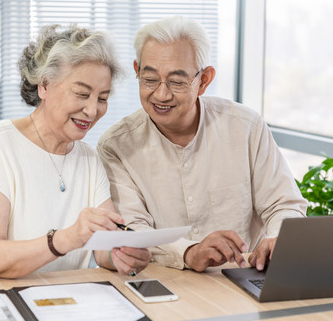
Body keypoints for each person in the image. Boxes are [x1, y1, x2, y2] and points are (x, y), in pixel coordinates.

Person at [0, 24, 151, 282]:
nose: (93, 110)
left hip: (55, 300)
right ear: (44, 86)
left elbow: (102, 247)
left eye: (103, 98)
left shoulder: (88, 159)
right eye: (82, 93)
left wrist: (122, 254)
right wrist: (66, 238)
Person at [97, 16, 307, 273]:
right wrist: (187, 252)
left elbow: (284, 204)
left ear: (204, 80)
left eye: (176, 81)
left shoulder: (245, 127)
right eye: (150, 79)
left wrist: (277, 237)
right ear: (137, 71)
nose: (161, 94)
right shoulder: (116, 147)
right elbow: (132, 232)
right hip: (168, 282)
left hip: (244, 278)